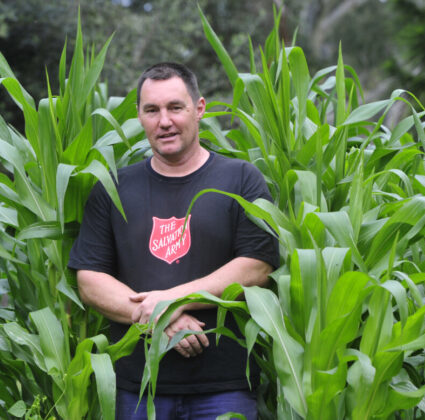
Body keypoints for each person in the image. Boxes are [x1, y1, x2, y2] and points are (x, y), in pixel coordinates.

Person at [68, 62, 279, 420]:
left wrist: (173, 299)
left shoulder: (241, 178)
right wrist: (158, 316)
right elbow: (90, 280)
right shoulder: (114, 187)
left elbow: (257, 265)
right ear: (139, 116)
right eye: (152, 110)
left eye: (174, 108)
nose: (163, 121)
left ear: (199, 109)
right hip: (137, 389)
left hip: (224, 388)